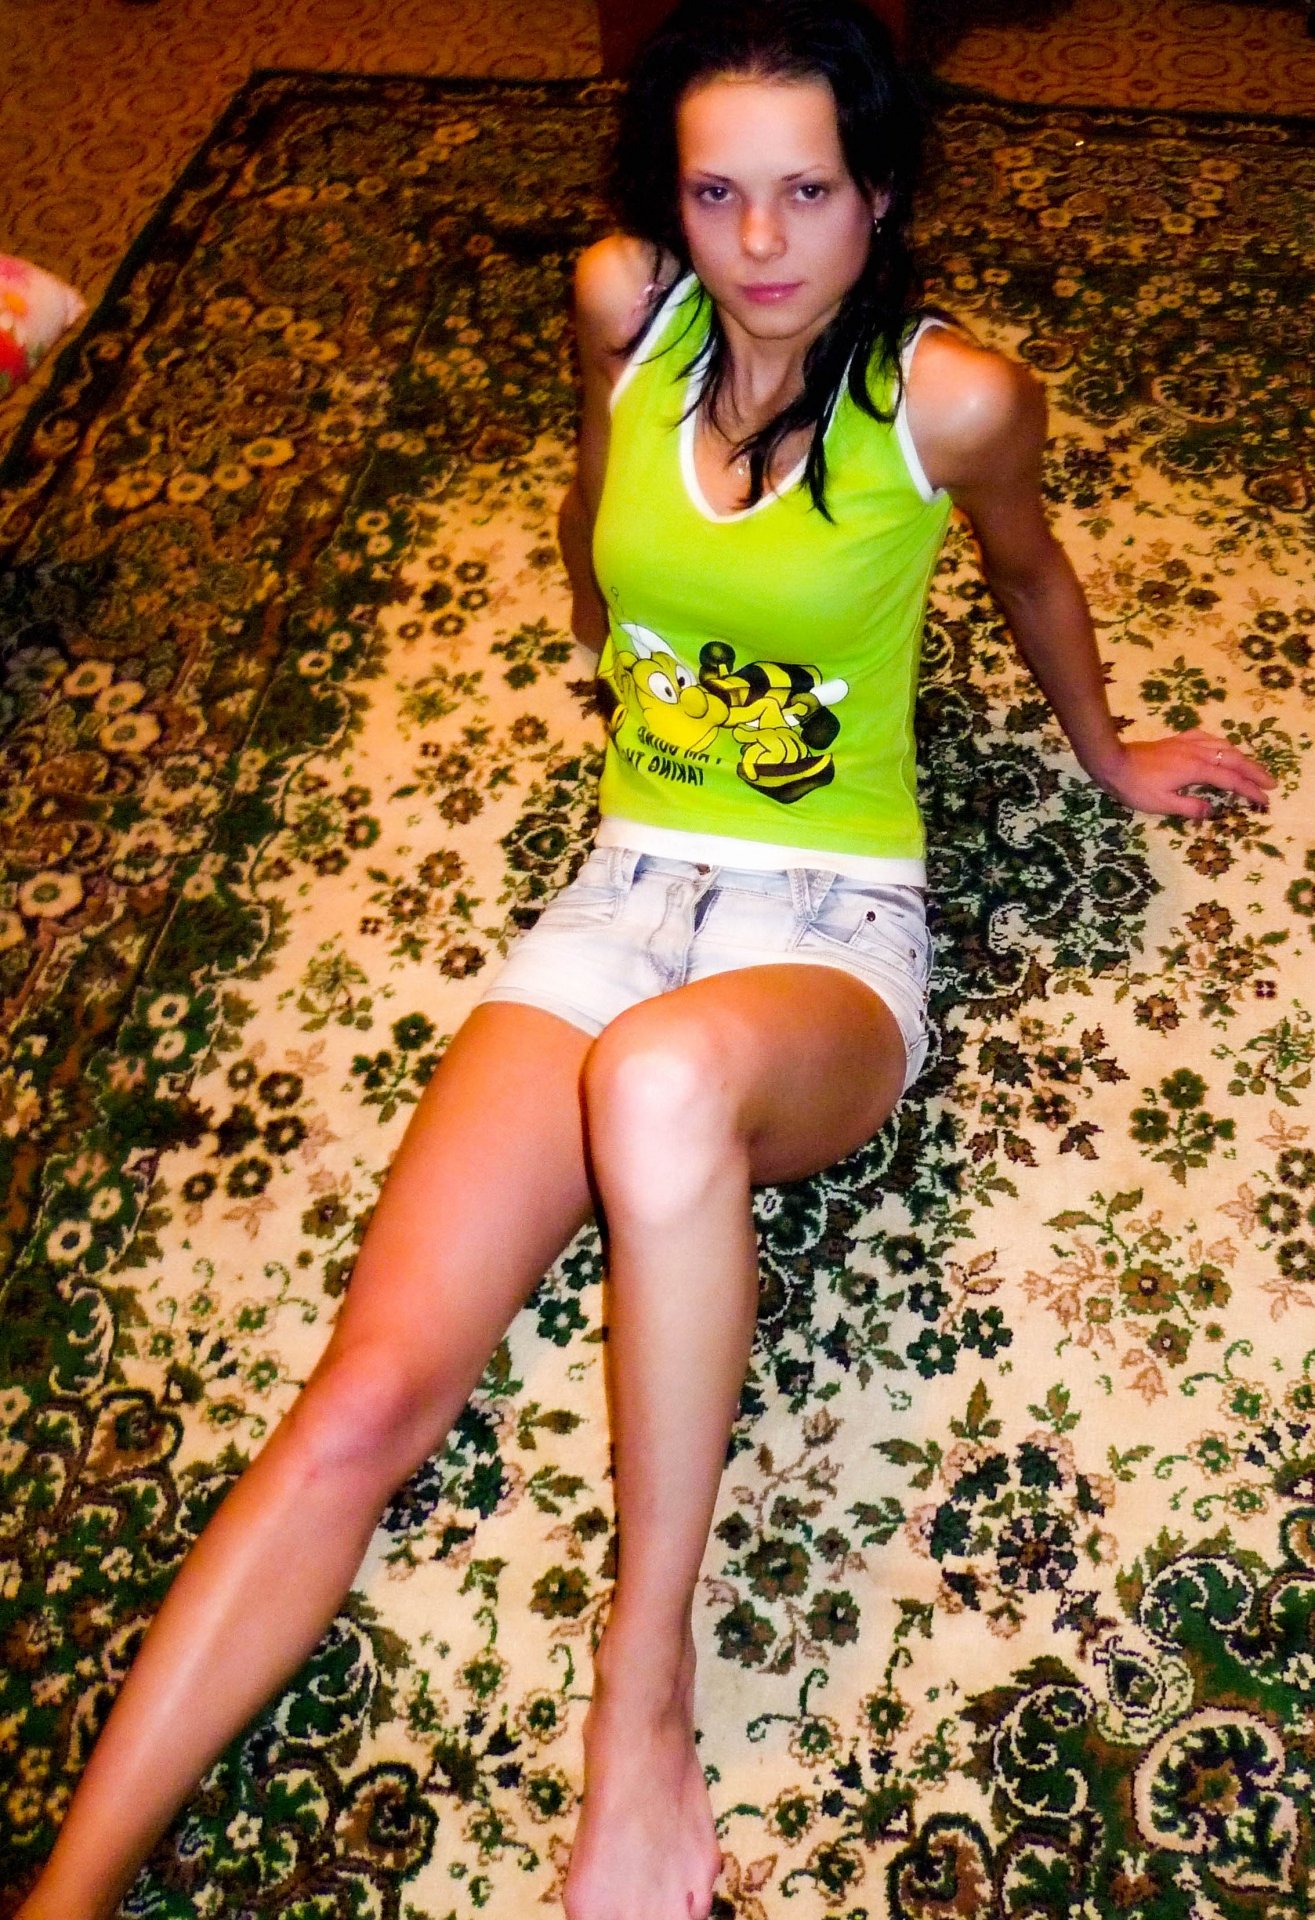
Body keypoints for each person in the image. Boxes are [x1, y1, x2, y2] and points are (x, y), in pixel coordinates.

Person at [17, 4, 1275, 1919]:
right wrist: (616, 647)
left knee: (664, 1081)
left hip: (827, 927)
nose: (759, 242)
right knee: (359, 1405)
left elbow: (1030, 569)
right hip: (621, 890)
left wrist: (1109, 756)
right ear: (666, 198)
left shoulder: (952, 400)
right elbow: (592, 519)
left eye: (807, 193)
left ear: (880, 196)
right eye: (716, 192)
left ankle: (645, 1694)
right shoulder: (626, 302)